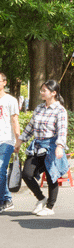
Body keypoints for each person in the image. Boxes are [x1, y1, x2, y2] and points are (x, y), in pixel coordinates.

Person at [14, 80, 69, 216]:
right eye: (41, 90)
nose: (41, 92)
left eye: (44, 90)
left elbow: (62, 130)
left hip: (51, 146)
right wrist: (20, 140)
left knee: (52, 176)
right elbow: (30, 126)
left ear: (53, 93)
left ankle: (50, 207)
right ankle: (41, 198)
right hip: (37, 146)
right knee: (26, 174)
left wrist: (60, 146)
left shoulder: (60, 110)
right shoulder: (39, 108)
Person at [0, 73, 19, 213]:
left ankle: (4, 200)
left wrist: (18, 140)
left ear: (4, 82)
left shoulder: (10, 100)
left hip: (6, 140)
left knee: (0, 169)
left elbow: (15, 120)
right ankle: (7, 199)